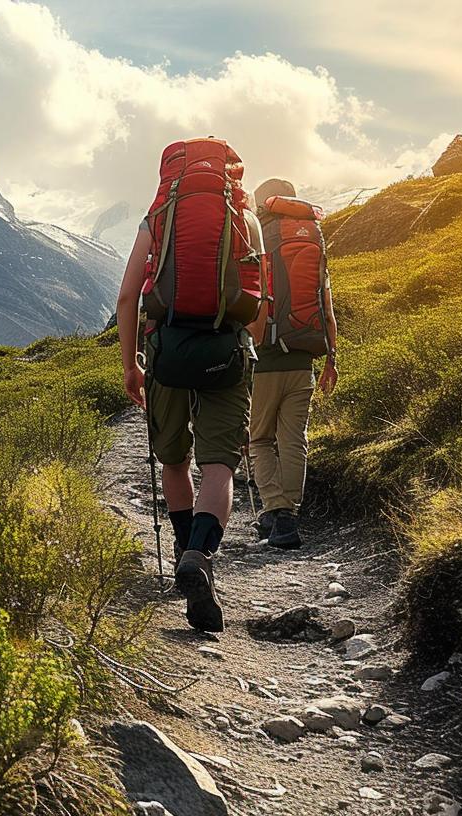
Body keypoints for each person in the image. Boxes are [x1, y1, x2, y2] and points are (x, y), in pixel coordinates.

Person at [118, 138, 263, 634]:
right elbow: (258, 301)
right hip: (226, 354)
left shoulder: (155, 219)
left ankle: (184, 550)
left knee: (175, 462)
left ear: (170, 175)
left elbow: (127, 299)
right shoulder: (245, 217)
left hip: (166, 354)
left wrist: (131, 365)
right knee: (219, 466)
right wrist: (249, 353)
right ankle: (200, 554)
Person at [247, 178, 339, 549]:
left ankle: (277, 511)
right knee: (294, 439)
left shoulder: (258, 237)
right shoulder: (312, 239)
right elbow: (326, 310)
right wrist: (332, 360)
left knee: (259, 439)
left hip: (264, 358)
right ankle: (287, 513)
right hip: (304, 359)